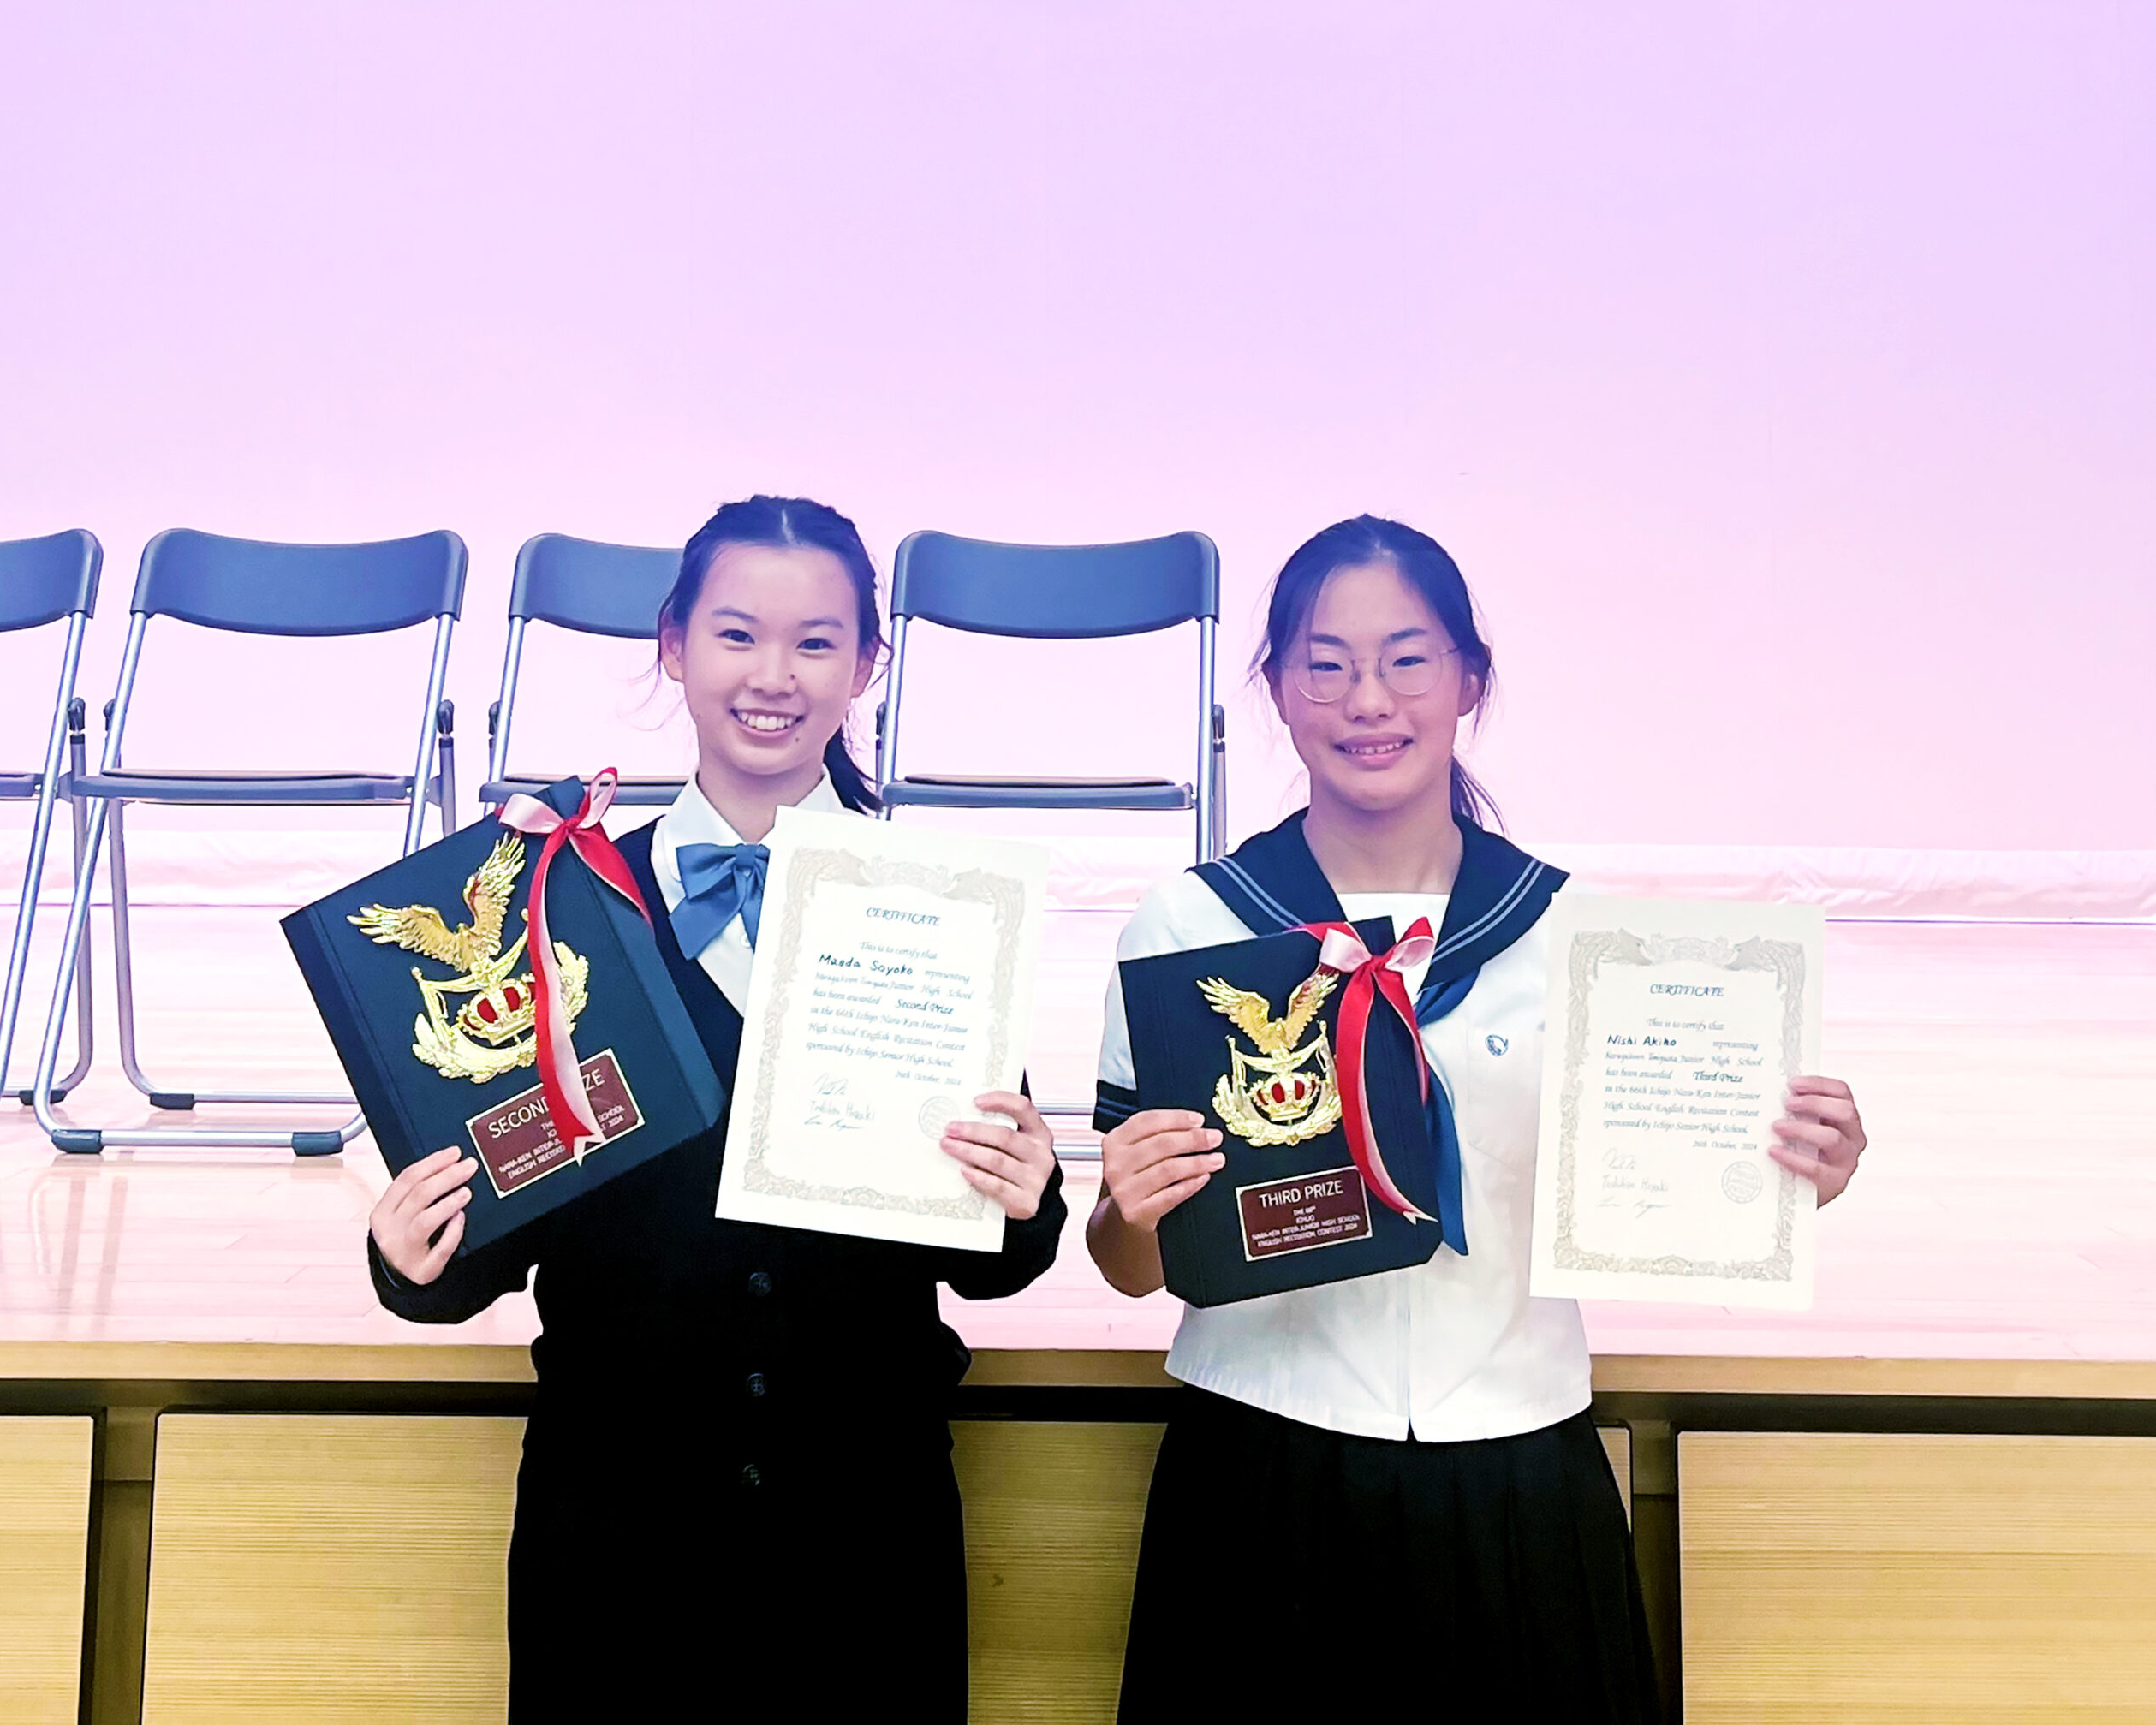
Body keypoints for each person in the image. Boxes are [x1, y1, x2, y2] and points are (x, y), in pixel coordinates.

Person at [1087, 515, 1867, 1722]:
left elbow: (1670, 1185)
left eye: (1407, 659)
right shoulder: (1191, 929)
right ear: (1278, 691)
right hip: (1262, 1469)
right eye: (1326, 665)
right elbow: (1133, 1267)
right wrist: (1130, 1214)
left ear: (1469, 680)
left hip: (1519, 1474)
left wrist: (1792, 1167)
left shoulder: (1587, 943)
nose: (1368, 701)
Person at [367, 496, 1066, 1721]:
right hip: (616, 1550)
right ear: (674, 646)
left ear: (867, 665)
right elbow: (485, 1242)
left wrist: (1025, 1196)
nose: (773, 677)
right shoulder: (560, 913)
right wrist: (412, 1253)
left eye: (816, 643)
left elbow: (989, 1262)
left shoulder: (939, 913)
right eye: (737, 635)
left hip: (866, 1549)